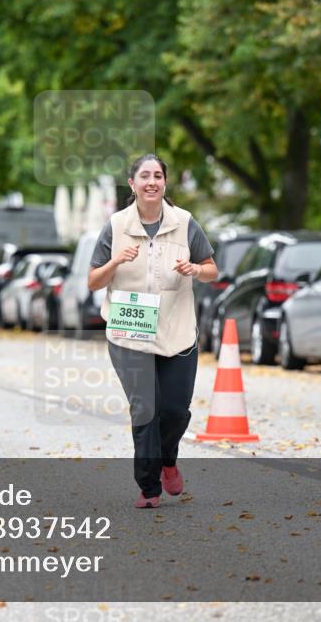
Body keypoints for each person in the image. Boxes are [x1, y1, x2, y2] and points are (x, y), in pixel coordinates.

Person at [87, 154, 218, 509]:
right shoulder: (115, 226)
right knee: (146, 408)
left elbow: (212, 269)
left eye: (157, 175)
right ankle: (148, 488)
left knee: (175, 410)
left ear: (164, 183)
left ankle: (168, 460)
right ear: (132, 184)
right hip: (129, 333)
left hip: (176, 332)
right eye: (144, 176)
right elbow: (94, 280)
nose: (151, 181)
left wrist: (194, 268)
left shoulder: (185, 223)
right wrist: (115, 261)